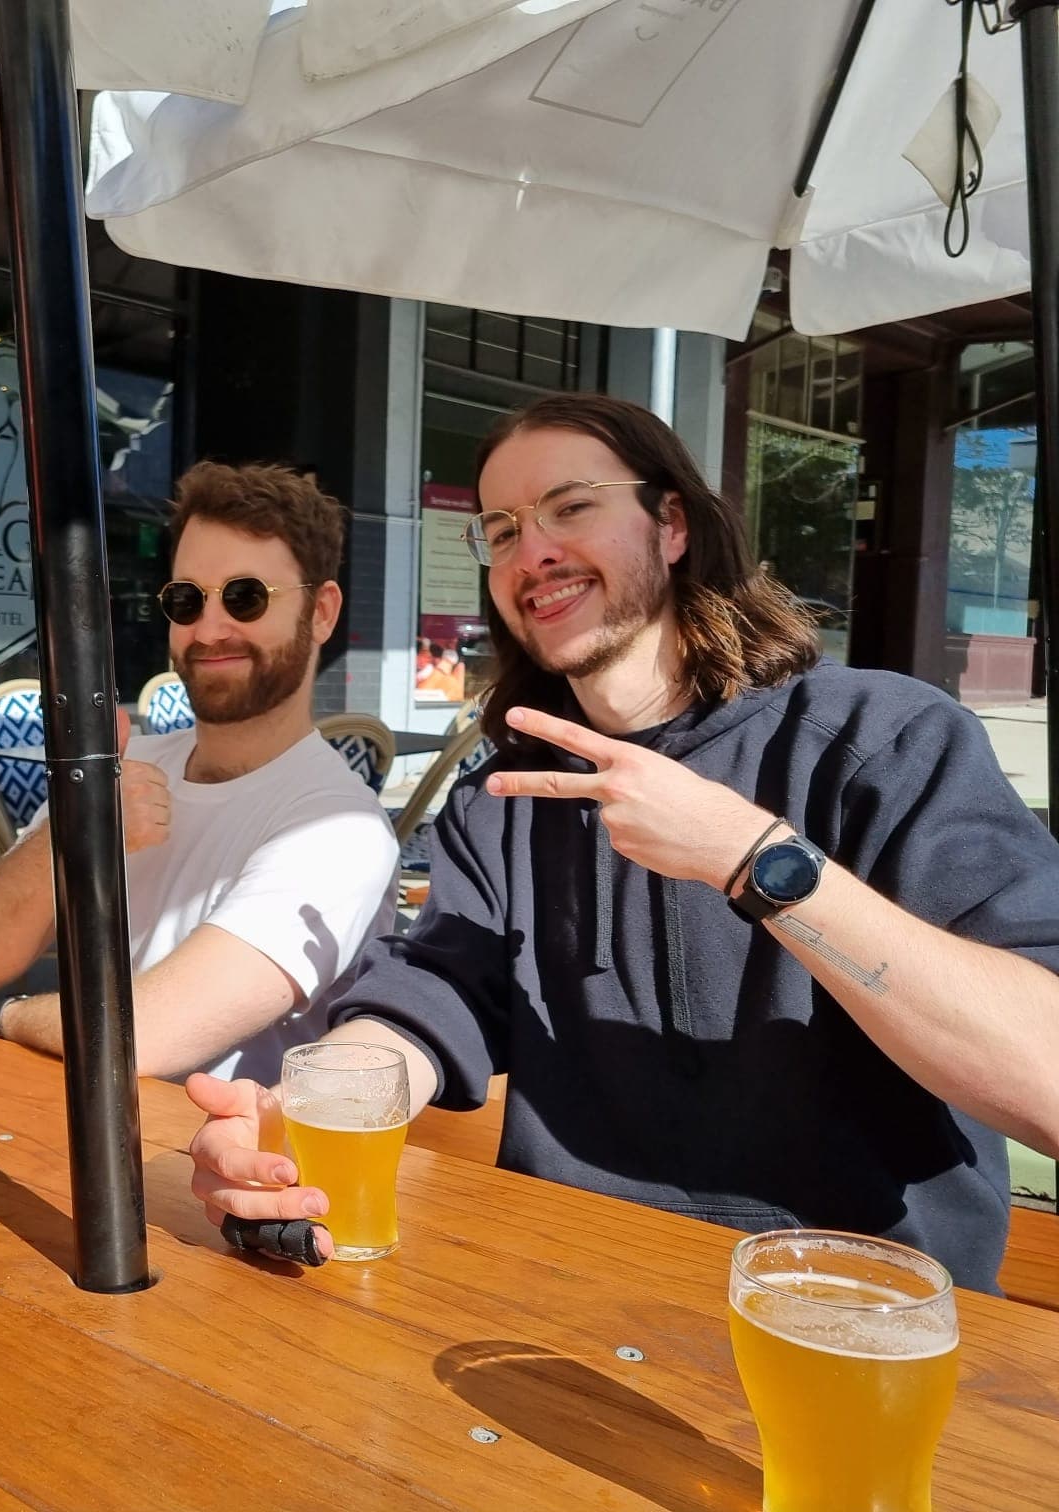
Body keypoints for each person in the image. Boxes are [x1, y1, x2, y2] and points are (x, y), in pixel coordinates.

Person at [187, 394, 1059, 1290]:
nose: (533, 553)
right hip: (565, 1302)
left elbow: (1047, 1078)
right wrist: (304, 1107)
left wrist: (754, 860)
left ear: (671, 524)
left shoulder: (881, 737)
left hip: (855, 1320)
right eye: (500, 529)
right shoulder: (508, 795)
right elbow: (439, 990)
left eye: (571, 507)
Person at [0, 461, 397, 1083]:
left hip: (208, 1160)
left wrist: (15, 1018)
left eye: (245, 596)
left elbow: (146, 1039)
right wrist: (78, 831)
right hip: (71, 1124)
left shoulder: (338, 829)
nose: (209, 629)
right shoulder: (131, 768)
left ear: (321, 612)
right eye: (186, 600)